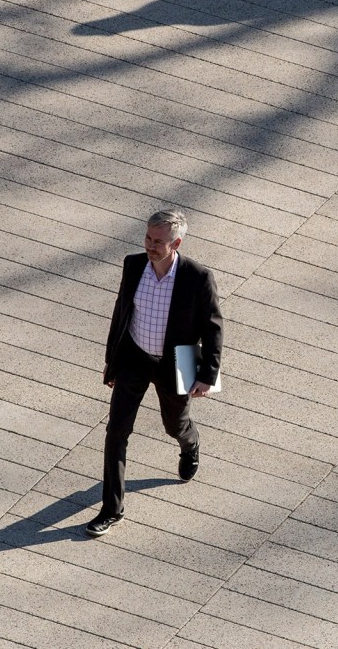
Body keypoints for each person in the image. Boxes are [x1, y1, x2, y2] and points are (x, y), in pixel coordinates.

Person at [85, 209, 224, 537]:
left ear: (175, 243)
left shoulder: (198, 277)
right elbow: (121, 312)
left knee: (173, 424)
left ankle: (190, 443)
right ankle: (111, 509)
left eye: (157, 241)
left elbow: (214, 327)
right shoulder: (133, 265)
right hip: (134, 356)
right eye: (148, 237)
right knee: (116, 432)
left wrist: (208, 374)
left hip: (179, 360)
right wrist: (112, 360)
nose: (149, 245)